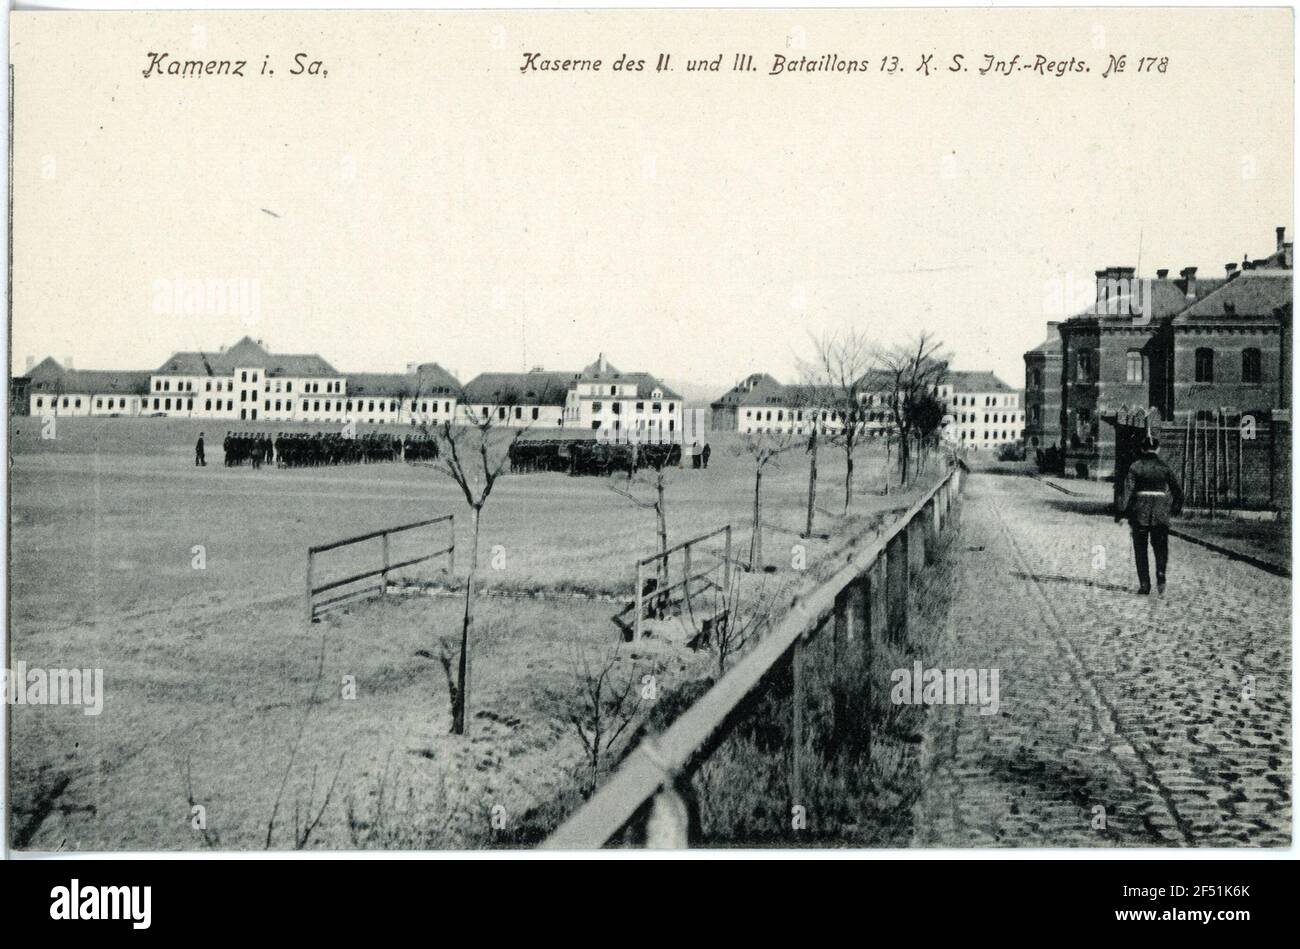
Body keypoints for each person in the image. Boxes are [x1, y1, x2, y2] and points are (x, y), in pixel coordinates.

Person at [1116, 434, 1183, 595]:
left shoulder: (1136, 467)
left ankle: (1145, 585)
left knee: (1140, 549)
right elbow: (1178, 491)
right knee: (1161, 548)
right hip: (1161, 515)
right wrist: (1175, 508)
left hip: (1140, 515)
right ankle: (1160, 574)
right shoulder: (1164, 467)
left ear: (1142, 449)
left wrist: (1121, 512)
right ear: (1158, 449)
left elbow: (1127, 491)